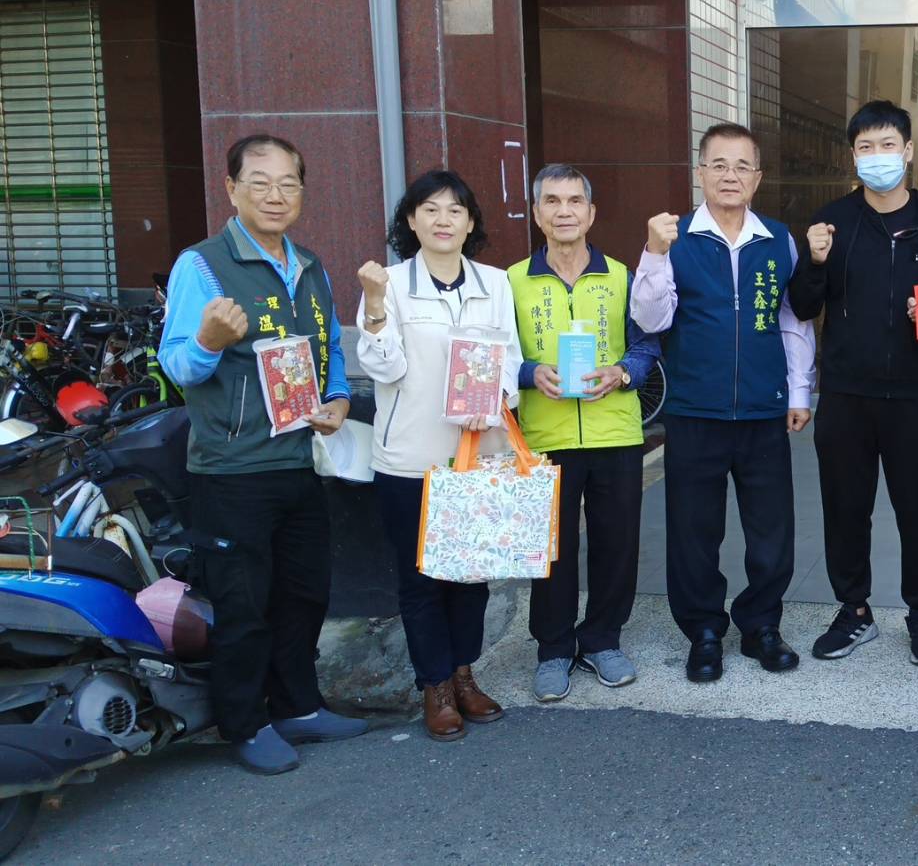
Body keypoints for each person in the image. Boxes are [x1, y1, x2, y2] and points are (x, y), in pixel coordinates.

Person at [157, 134, 368, 774]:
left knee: (304, 593)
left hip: (298, 461)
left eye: (288, 184)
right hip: (232, 470)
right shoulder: (201, 266)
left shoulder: (309, 265)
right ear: (231, 189)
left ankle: (299, 706)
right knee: (243, 605)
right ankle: (245, 723)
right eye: (260, 182)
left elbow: (328, 348)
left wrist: (337, 400)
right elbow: (177, 366)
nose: (275, 196)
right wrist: (208, 340)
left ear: (302, 192)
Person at [787, 100, 918, 666]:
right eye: (866, 147)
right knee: (846, 509)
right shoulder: (832, 220)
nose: (877, 156)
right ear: (853, 156)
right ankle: (854, 611)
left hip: (915, 395)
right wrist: (814, 261)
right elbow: (803, 305)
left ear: (908, 151)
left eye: (887, 145)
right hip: (846, 394)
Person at [632, 123, 816, 682]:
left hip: (763, 410)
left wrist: (799, 390)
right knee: (694, 531)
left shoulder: (778, 239)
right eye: (718, 164)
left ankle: (761, 625)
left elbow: (793, 321)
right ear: (700, 172)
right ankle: (704, 631)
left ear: (757, 177)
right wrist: (654, 254)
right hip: (695, 410)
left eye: (741, 166)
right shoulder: (673, 237)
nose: (730, 175)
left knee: (771, 530)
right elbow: (650, 319)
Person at [356, 169, 519, 742]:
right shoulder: (389, 285)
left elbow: (510, 359)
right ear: (410, 220)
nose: (443, 220)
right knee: (421, 579)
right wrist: (375, 304)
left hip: (477, 456)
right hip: (410, 458)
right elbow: (384, 367)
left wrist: (494, 399)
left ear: (471, 222)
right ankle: (436, 687)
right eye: (430, 209)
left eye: (455, 210)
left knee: (471, 577)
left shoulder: (495, 283)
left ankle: (464, 674)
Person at [509, 164, 660, 700]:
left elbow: (647, 344)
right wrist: (529, 372)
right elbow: (498, 354)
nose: (564, 211)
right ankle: (553, 648)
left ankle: (602, 639)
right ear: (536, 214)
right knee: (551, 549)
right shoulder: (511, 282)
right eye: (552, 201)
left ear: (592, 213)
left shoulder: (621, 277)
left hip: (614, 431)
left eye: (575, 201)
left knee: (617, 543)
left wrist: (622, 373)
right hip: (544, 436)